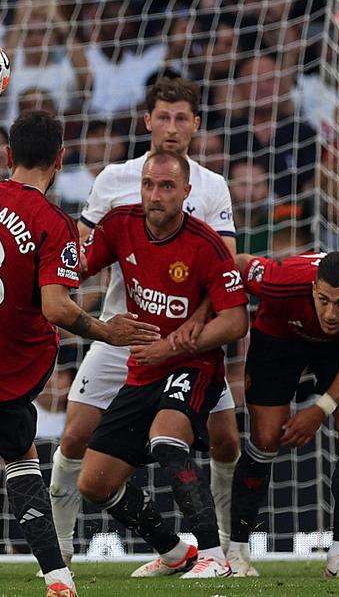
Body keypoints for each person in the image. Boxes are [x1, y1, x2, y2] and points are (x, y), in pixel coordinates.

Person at [0, 110, 161, 597]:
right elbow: (58, 308)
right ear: (60, 160)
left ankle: (64, 571)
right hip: (18, 367)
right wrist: (108, 331)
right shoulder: (52, 223)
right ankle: (60, 577)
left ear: (7, 155)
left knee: (23, 457)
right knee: (26, 462)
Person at [48, 77, 244, 566]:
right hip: (122, 331)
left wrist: (188, 332)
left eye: (182, 118)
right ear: (148, 121)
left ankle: (227, 548)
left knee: (224, 442)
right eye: (163, 117)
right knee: (74, 437)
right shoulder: (115, 179)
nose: (172, 127)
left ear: (196, 125)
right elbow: (82, 251)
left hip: (189, 340)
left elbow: (226, 268)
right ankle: (61, 551)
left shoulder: (212, 186)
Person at [76, 152, 249, 579]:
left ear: (186, 193)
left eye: (167, 187)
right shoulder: (120, 224)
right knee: (94, 482)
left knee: (167, 437)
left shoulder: (205, 243)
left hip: (195, 366)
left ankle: (214, 556)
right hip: (141, 369)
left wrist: (171, 347)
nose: (155, 195)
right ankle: (173, 552)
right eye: (149, 185)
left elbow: (236, 320)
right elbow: (78, 266)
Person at [228, 251, 339, 579]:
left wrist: (320, 409)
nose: (330, 312)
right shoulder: (280, 280)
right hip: (280, 336)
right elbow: (233, 264)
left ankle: (338, 558)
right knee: (265, 438)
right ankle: (236, 552)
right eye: (323, 299)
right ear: (312, 288)